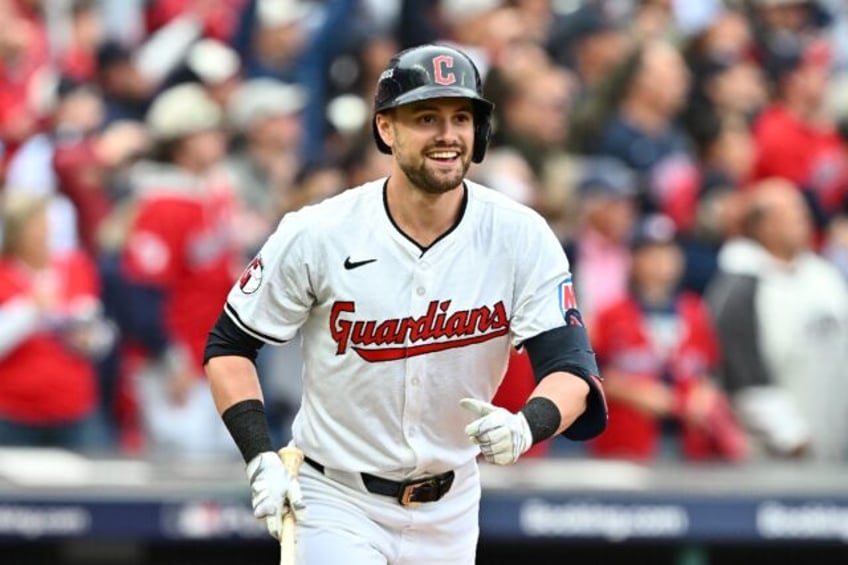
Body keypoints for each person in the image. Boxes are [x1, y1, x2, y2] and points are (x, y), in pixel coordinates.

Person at [204, 43, 607, 564]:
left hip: (453, 505)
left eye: (461, 117)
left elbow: (573, 370)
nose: (447, 134)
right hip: (336, 497)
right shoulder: (320, 231)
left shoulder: (520, 234)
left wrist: (525, 425)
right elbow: (229, 345)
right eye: (425, 117)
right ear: (386, 129)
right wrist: (259, 456)